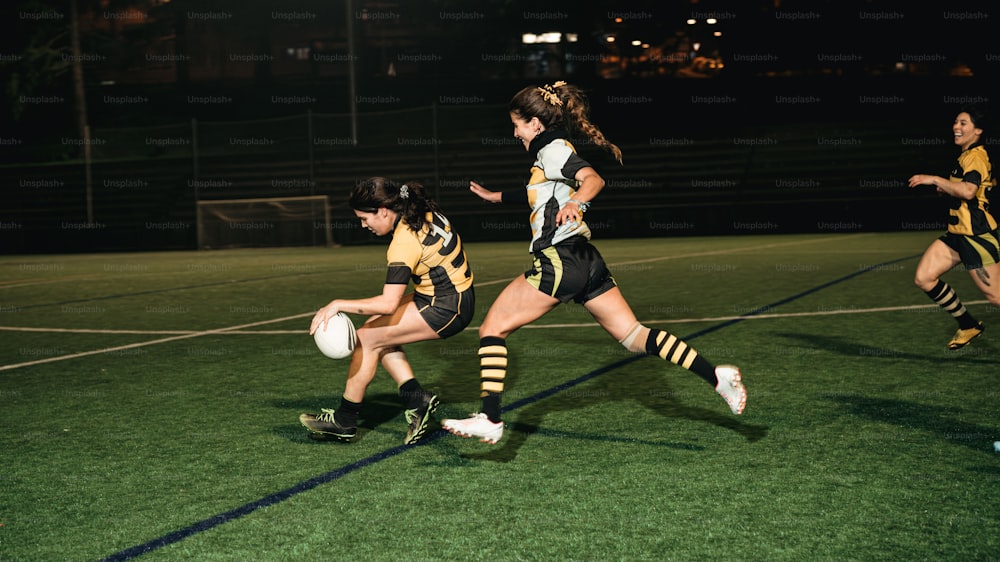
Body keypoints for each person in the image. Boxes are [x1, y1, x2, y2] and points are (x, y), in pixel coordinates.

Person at [441, 81, 746, 445]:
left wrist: (578, 204)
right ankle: (717, 376)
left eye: (518, 124)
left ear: (535, 124)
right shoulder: (548, 156)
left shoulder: (552, 150)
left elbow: (592, 179)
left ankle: (490, 418)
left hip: (559, 259)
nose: (515, 132)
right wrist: (497, 196)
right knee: (634, 337)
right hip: (586, 261)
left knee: (492, 330)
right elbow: (542, 190)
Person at [301, 177, 475, 444]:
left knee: (366, 339)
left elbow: (388, 303)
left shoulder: (403, 241)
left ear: (383, 211)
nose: (363, 225)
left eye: (364, 218)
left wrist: (337, 303)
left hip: (446, 306)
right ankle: (416, 399)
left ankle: (345, 420)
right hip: (448, 296)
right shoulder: (420, 210)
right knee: (376, 328)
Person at [909, 105, 999, 350]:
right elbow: (966, 188)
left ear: (978, 130)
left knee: (996, 297)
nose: (956, 127)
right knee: (924, 278)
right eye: (956, 122)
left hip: (975, 237)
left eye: (963, 123)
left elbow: (969, 192)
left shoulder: (976, 156)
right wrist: (947, 187)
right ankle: (968, 325)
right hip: (956, 236)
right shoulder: (966, 156)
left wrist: (936, 179)